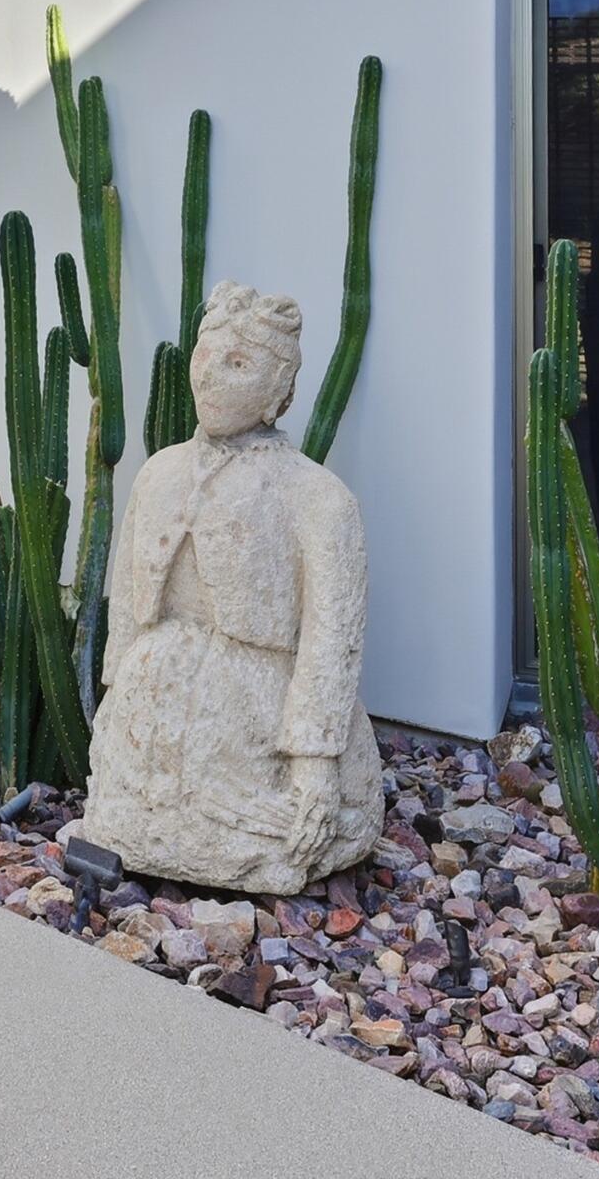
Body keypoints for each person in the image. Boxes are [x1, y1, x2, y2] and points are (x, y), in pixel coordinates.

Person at [81, 281, 382, 893]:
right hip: (153, 700)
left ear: (281, 393)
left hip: (257, 711)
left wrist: (316, 769)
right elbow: (129, 606)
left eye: (239, 364)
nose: (212, 378)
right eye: (206, 357)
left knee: (295, 827)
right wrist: (115, 707)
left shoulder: (319, 499)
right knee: (129, 809)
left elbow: (330, 643)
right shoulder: (157, 473)